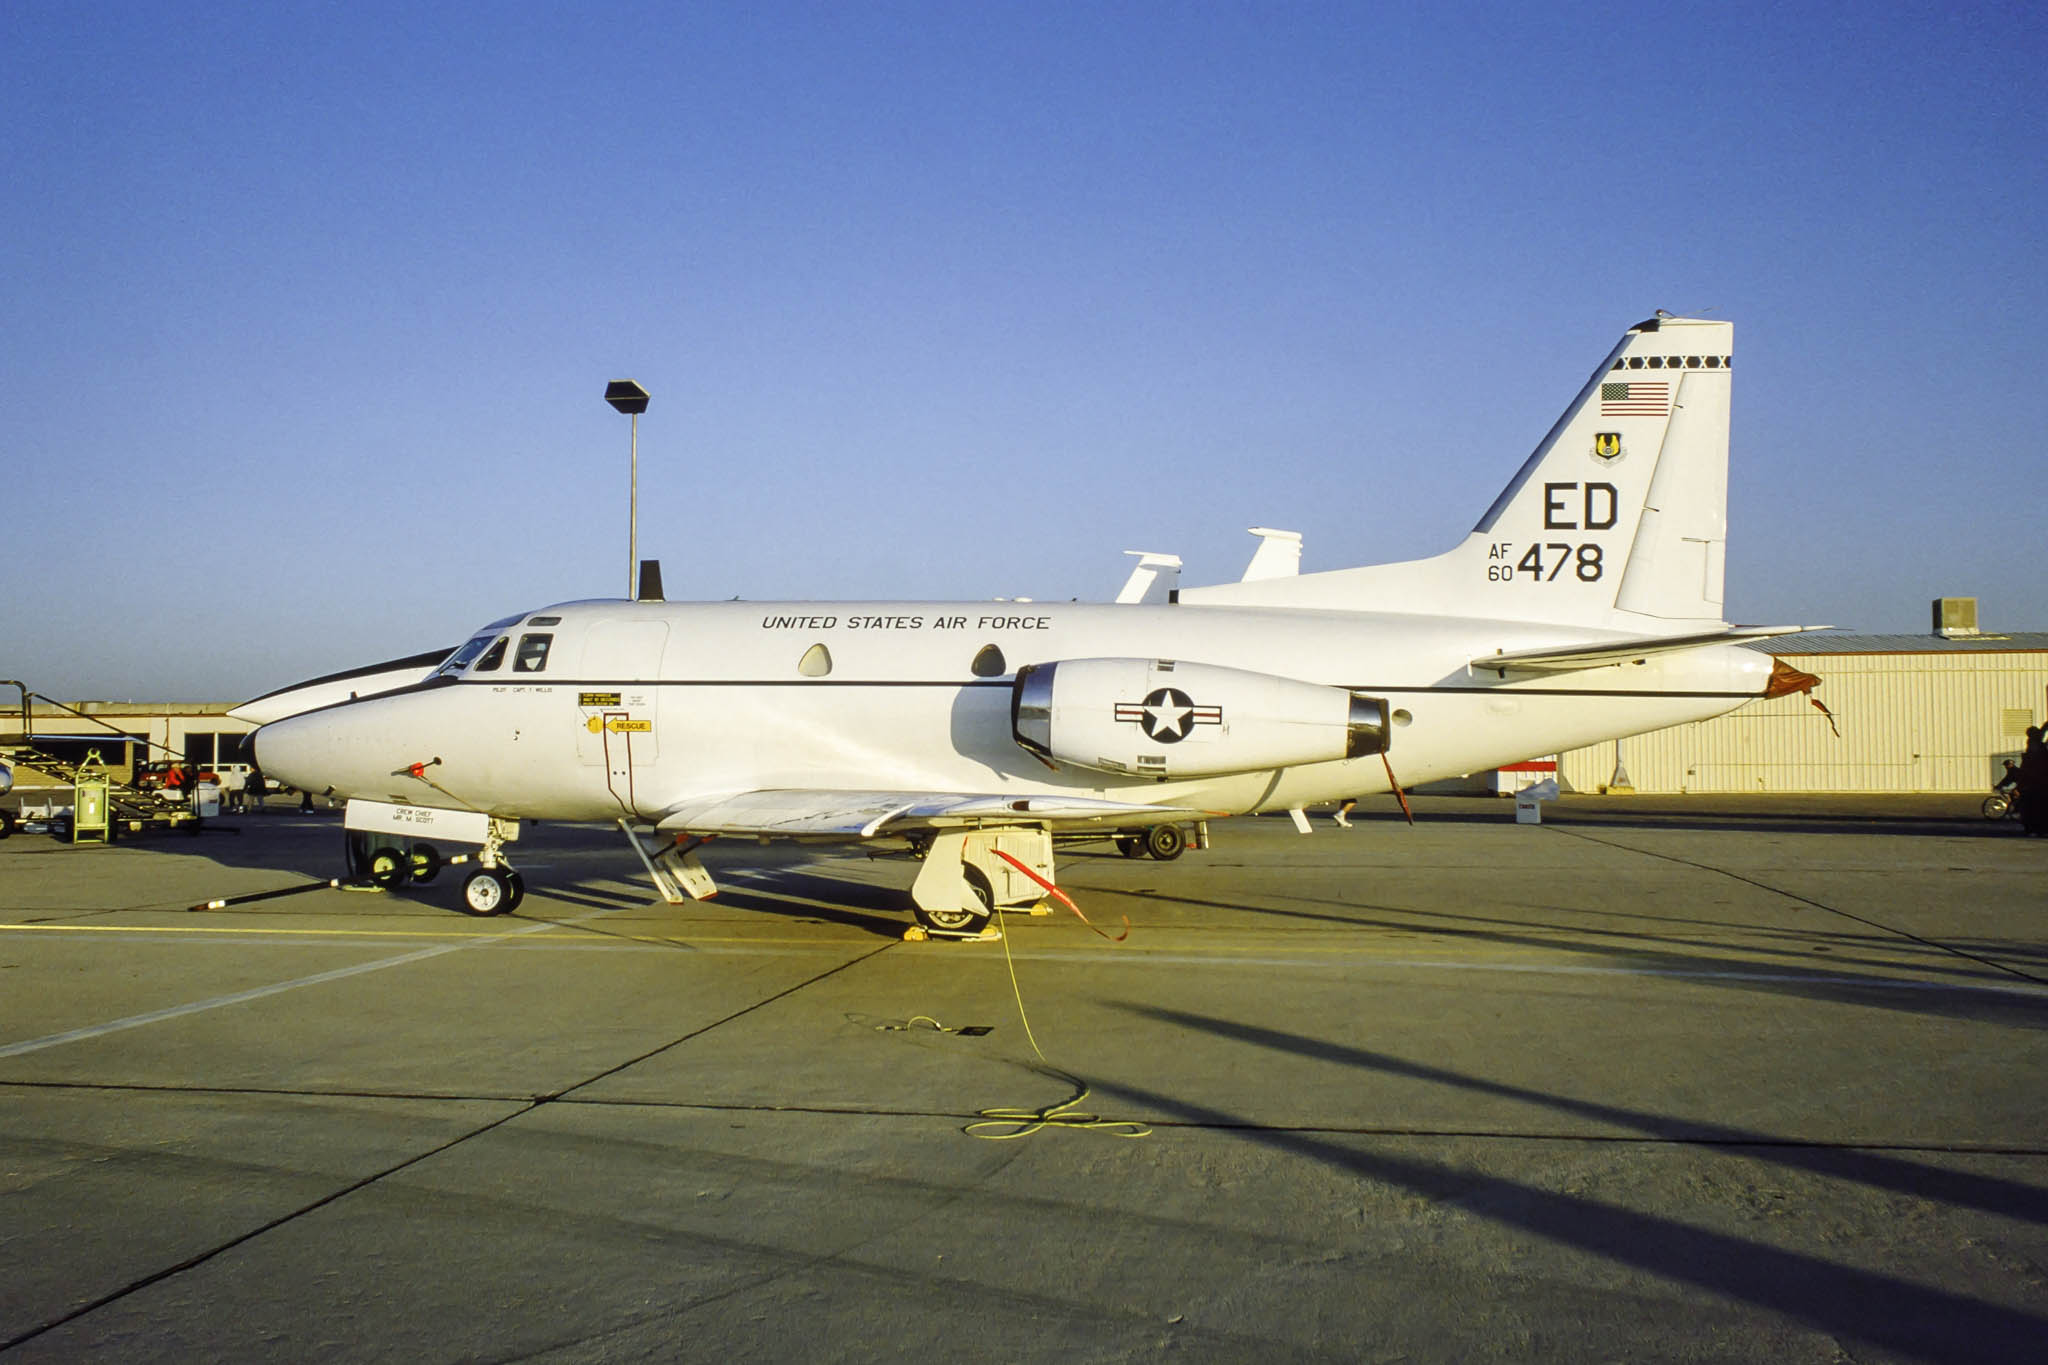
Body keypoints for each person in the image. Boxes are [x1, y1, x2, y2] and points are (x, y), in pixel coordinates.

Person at [2017, 726, 2048, 837]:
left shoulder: (2033, 747)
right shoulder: (2036, 748)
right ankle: (2038, 828)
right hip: (2037, 784)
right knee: (2037, 807)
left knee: (2033, 807)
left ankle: (2034, 828)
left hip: (2034, 784)